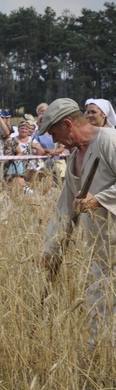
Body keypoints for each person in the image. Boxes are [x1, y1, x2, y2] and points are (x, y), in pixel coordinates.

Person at [39, 98, 116, 346]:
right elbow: (64, 208)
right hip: (101, 245)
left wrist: (101, 199)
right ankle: (103, 361)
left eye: (54, 132)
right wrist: (50, 249)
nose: (53, 141)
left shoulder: (109, 140)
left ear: (68, 124)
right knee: (99, 300)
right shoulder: (74, 159)